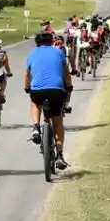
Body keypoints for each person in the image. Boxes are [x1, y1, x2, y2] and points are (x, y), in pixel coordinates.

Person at [25, 32, 73, 170]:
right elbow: (66, 73)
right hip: (56, 90)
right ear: (51, 41)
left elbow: (27, 74)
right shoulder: (58, 53)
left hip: (38, 89)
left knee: (35, 102)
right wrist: (69, 86)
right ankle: (59, 155)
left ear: (37, 43)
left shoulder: (32, 53)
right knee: (57, 121)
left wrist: (27, 87)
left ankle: (35, 127)